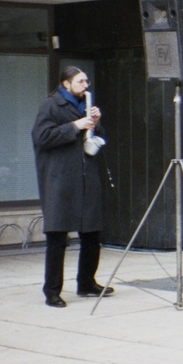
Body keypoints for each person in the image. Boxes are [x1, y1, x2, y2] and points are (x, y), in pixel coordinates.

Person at [31, 66, 113, 308]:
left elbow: (96, 138)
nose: (85, 86)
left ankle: (87, 283)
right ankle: (52, 291)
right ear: (66, 84)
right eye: (80, 81)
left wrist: (95, 123)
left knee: (91, 233)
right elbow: (42, 137)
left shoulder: (84, 104)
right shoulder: (51, 106)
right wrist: (77, 126)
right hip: (60, 180)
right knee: (57, 236)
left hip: (86, 178)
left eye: (87, 81)